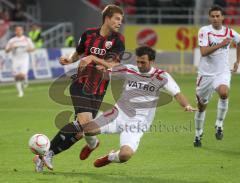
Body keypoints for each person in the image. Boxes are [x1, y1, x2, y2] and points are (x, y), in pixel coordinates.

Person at [33, 4, 125, 172]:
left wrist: (93, 59)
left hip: (99, 89)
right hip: (80, 84)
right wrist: (69, 60)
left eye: (121, 20)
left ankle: (46, 154)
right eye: (117, 19)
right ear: (107, 18)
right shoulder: (88, 34)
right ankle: (47, 154)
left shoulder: (118, 40)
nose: (120, 22)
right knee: (84, 122)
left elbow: (113, 64)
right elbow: (77, 53)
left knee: (82, 130)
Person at [74, 46, 196, 167]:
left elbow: (177, 93)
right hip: (117, 114)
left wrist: (187, 105)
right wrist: (99, 70)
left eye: (143, 62)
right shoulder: (129, 69)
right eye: (138, 61)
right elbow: (107, 73)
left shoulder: (161, 76)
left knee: (124, 155)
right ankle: (93, 144)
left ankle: (110, 157)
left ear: (152, 61)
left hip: (137, 123)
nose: (139, 65)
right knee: (87, 130)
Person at [193, 5, 240, 147]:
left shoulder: (230, 32)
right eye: (212, 16)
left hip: (222, 72)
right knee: (201, 107)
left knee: (224, 93)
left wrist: (237, 61)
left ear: (222, 17)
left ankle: (219, 124)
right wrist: (221, 44)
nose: (215, 18)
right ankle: (198, 134)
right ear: (209, 18)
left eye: (217, 16)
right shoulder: (205, 31)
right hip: (205, 75)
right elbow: (203, 52)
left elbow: (239, 42)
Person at [5, 26, 35, 97]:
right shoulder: (12, 40)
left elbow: (33, 49)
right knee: (16, 77)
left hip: (24, 60)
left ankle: (25, 79)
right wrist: (10, 48)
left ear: (22, 31)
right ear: (15, 31)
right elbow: (6, 51)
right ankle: (20, 92)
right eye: (17, 30)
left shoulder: (27, 39)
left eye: (20, 30)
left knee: (21, 75)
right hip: (15, 60)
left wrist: (29, 50)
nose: (18, 31)